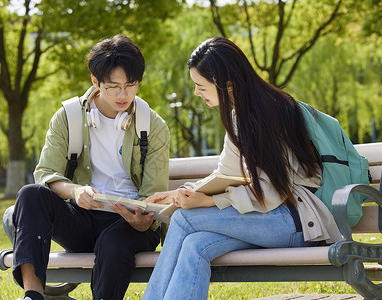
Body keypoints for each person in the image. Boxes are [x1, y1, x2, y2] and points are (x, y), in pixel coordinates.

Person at [142, 37, 342, 300]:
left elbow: (270, 193)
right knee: (195, 245)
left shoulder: (271, 112)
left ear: (227, 85)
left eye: (200, 86)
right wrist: (182, 193)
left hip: (296, 221)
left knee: (184, 218)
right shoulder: (239, 115)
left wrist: (209, 201)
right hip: (267, 220)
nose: (196, 93)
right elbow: (225, 173)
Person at [4, 34, 170, 300]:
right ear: (95, 81)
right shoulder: (69, 117)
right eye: (113, 86)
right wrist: (76, 191)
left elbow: (153, 195)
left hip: (131, 226)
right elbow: (45, 174)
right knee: (30, 194)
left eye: (131, 85)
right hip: (83, 218)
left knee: (113, 241)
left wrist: (141, 220)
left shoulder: (153, 126)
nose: (123, 95)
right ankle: (33, 296)